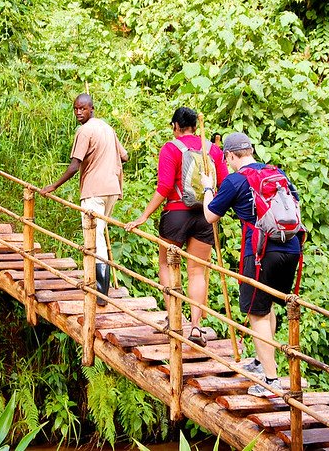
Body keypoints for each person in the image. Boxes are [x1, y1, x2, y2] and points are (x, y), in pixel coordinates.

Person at [201, 132, 303, 397]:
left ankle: (271, 380)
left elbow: (210, 215)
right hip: (291, 247)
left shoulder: (236, 180)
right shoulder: (276, 173)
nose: (229, 162)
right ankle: (260, 362)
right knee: (266, 305)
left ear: (232, 155)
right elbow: (295, 202)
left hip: (260, 251)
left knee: (256, 312)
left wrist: (207, 188)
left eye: (228, 158)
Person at [125, 107, 228, 346]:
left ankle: (174, 318)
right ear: (194, 125)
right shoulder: (212, 149)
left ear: (175, 126)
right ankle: (195, 327)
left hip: (175, 213)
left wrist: (142, 217)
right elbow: (222, 183)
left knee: (166, 263)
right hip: (205, 215)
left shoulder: (171, 148)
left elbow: (163, 187)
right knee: (198, 272)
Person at [41, 93, 129, 306]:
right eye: (76, 109)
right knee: (99, 234)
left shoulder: (85, 131)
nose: (79, 113)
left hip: (94, 192)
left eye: (83, 109)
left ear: (92, 109)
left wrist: (53, 186)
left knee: (95, 238)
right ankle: (99, 286)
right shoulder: (107, 128)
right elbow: (125, 157)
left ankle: (100, 290)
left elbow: (74, 166)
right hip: (112, 190)